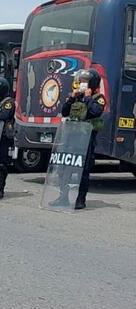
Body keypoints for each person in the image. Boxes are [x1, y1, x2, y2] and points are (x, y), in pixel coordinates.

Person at [57, 68, 105, 209]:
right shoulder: (76, 97)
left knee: (83, 170)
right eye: (81, 81)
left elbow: (95, 112)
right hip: (71, 138)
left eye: (85, 81)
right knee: (64, 169)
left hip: (86, 139)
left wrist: (88, 98)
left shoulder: (98, 98)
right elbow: (64, 112)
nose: (83, 83)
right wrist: (72, 97)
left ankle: (80, 199)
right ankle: (63, 197)